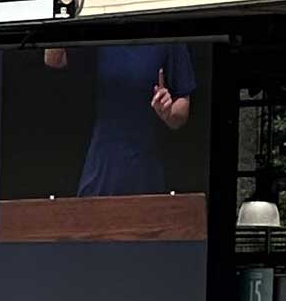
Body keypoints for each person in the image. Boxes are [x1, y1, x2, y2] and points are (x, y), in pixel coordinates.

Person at [43, 43, 197, 197]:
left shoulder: (168, 39)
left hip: (148, 165)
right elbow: (54, 60)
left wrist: (168, 112)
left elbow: (182, 106)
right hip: (98, 162)